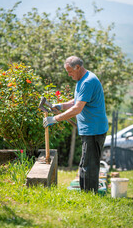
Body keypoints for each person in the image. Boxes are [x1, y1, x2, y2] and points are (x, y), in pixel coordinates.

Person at [43, 56, 108, 193]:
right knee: (85, 162)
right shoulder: (82, 80)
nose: (69, 75)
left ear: (77, 67)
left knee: (89, 164)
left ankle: (89, 194)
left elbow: (77, 108)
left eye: (70, 71)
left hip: (94, 130)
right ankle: (87, 193)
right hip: (89, 129)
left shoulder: (88, 82)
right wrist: (61, 106)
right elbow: (77, 101)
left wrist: (55, 119)